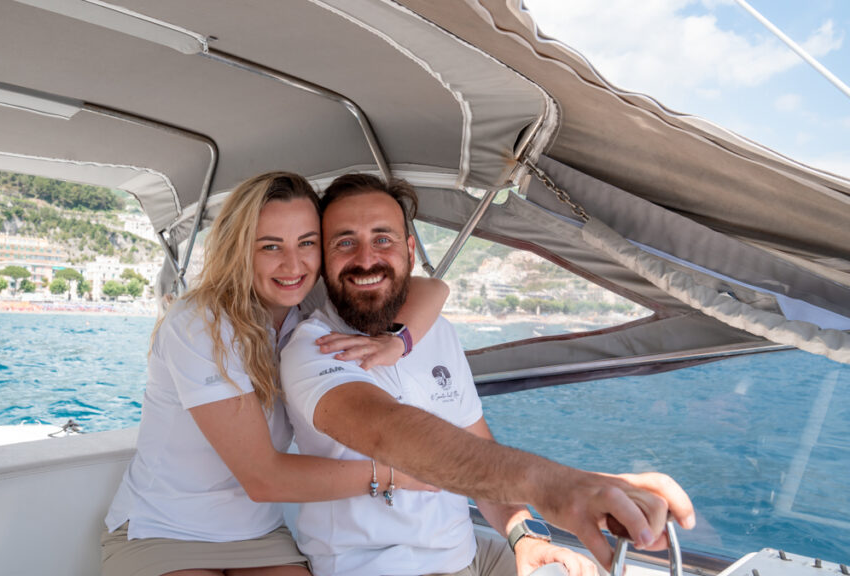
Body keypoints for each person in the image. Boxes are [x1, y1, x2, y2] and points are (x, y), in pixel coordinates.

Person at [280, 174, 697, 576]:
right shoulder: (313, 347)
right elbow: (388, 432)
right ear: (322, 260)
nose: (366, 259)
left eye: (382, 239)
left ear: (410, 249)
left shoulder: (436, 332)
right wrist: (553, 485)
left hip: (466, 553)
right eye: (345, 243)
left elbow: (475, 447)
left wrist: (523, 536)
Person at [101, 171, 448, 576]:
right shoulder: (199, 324)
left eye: (307, 243)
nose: (292, 264)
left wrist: (395, 342)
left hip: (258, 534)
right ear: (239, 250)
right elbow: (263, 477)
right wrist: (397, 474)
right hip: (163, 530)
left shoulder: (308, 301)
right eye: (271, 246)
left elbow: (432, 289)